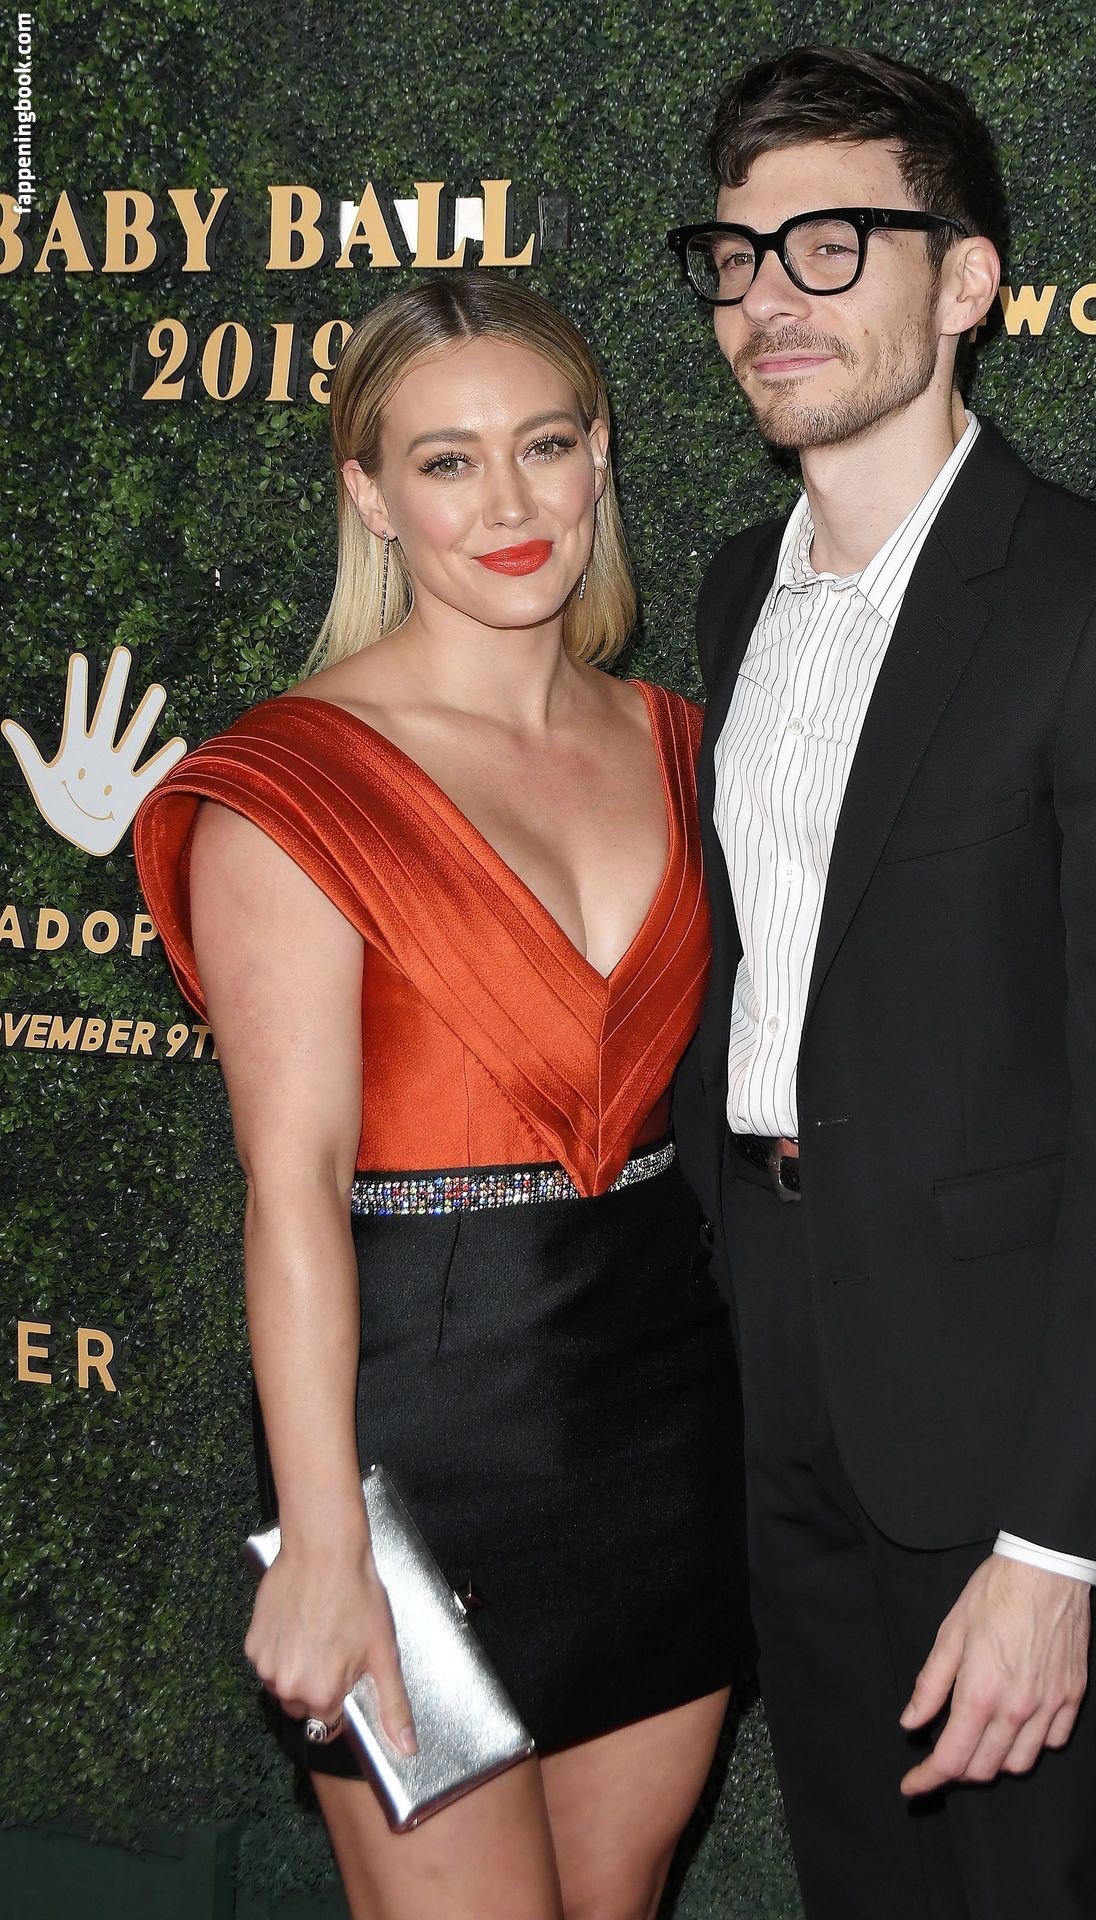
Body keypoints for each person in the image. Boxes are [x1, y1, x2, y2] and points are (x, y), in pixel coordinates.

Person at [666, 44, 1096, 1920]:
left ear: (969, 280)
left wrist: (1058, 1545)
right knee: (860, 1881)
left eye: (831, 246)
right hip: (771, 1362)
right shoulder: (732, 591)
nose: (768, 297)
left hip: (997, 1411)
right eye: (737, 256)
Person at [132, 274, 754, 1920]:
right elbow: (291, 1186)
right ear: (369, 495)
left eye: (543, 445)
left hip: (662, 1412)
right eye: (446, 461)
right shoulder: (291, 784)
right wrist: (322, 1538)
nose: (509, 504)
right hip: (413, 1437)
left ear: (599, 456)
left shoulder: (690, 746)